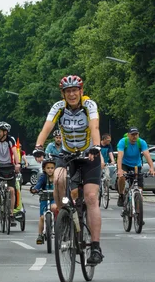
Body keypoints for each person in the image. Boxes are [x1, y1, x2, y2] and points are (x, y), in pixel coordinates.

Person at [34, 75, 104, 265]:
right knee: (58, 177)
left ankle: (96, 247)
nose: (72, 94)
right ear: (63, 94)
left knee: (90, 197)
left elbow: (95, 126)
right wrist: (39, 146)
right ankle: (63, 215)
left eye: (75, 90)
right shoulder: (58, 108)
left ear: (81, 91)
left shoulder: (89, 106)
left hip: (89, 155)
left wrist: (96, 146)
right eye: (68, 91)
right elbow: (46, 128)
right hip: (67, 155)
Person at [0, 121, 21, 227]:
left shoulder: (11, 140)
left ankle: (11, 214)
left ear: (5, 132)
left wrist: (18, 164)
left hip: (10, 166)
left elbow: (15, 153)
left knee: (11, 190)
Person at [116, 127, 155, 207]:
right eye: (132, 135)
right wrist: (119, 169)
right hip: (125, 164)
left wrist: (151, 167)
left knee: (139, 190)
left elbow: (147, 155)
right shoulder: (123, 142)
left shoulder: (141, 142)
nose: (134, 137)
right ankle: (121, 195)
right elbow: (120, 156)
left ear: (138, 134)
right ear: (128, 135)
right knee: (121, 177)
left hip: (136, 166)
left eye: (136, 134)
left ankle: (138, 216)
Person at [30, 158, 58, 245]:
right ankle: (40, 235)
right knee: (42, 217)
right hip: (44, 198)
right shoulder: (43, 177)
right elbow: (38, 185)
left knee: (55, 208)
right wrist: (35, 189)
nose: (50, 170)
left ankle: (58, 226)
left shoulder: (57, 177)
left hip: (54, 198)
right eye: (48, 168)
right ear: (44, 169)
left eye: (52, 168)